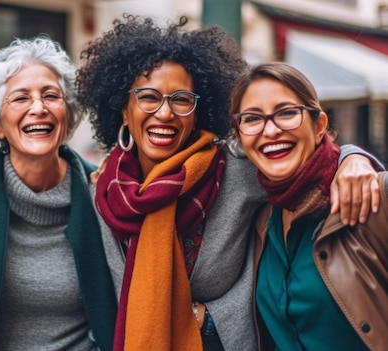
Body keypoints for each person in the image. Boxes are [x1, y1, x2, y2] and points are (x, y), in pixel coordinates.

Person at [75, 14, 381, 351]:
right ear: (123, 108)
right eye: (148, 97)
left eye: (181, 99)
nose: (164, 113)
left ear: (197, 112)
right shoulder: (101, 191)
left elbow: (298, 158)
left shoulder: (234, 172)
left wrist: (351, 158)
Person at [0, 36, 123, 350]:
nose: (38, 108)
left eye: (50, 95)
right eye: (20, 98)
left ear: (68, 114)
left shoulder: (101, 190)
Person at [229, 61, 388, 351]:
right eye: (252, 119)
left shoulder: (376, 196)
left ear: (319, 127)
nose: (270, 130)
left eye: (287, 113)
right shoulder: (263, 221)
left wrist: (354, 156)